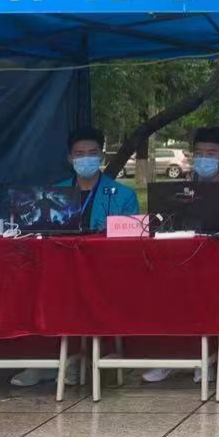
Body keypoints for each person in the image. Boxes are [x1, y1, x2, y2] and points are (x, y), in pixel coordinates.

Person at [10, 125, 139, 389]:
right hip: (61, 270)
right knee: (35, 288)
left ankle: (79, 359)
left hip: (106, 272)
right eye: (79, 154)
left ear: (101, 155)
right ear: (70, 158)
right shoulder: (50, 194)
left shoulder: (124, 195)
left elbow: (134, 239)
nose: (86, 159)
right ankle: (48, 362)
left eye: (92, 153)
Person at [143, 126, 219, 385]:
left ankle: (208, 359)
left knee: (205, 292)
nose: (204, 158)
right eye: (200, 153)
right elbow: (162, 220)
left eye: (211, 153)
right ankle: (172, 357)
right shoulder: (182, 184)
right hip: (183, 263)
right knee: (159, 288)